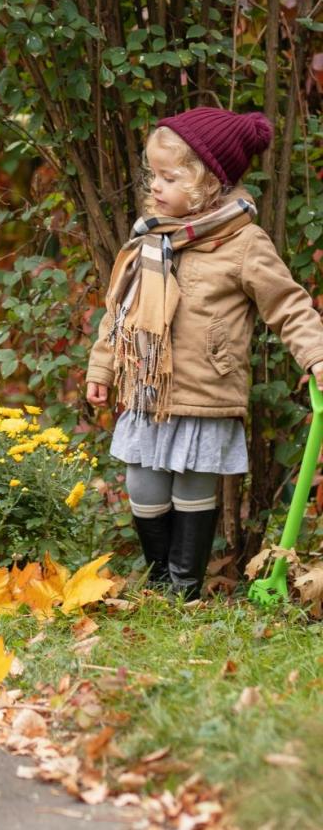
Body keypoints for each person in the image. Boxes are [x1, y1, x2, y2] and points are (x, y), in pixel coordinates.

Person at [86, 107, 323, 600]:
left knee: (192, 488)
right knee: (144, 485)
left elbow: (287, 304)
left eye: (169, 177)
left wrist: (317, 356)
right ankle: (158, 578)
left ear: (208, 184)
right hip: (149, 392)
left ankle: (184, 589)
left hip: (207, 392)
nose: (155, 186)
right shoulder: (149, 238)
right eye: (153, 175)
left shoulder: (243, 245)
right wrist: (103, 365)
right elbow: (120, 314)